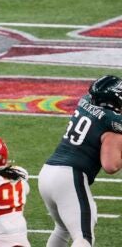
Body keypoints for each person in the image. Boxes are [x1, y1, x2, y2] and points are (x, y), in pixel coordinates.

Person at [38, 75, 122, 247]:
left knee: (62, 229)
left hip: (47, 172)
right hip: (69, 176)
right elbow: (110, 165)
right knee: (83, 237)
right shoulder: (111, 124)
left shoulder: (85, 102)